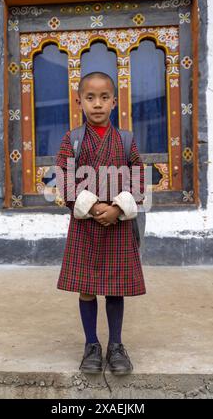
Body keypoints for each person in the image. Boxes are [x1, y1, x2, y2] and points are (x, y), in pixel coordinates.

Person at [55, 71, 146, 376]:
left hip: (118, 223)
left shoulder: (126, 139)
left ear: (114, 102)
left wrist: (119, 207)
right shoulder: (73, 139)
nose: (97, 104)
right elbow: (65, 179)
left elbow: (138, 178)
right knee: (86, 288)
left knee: (115, 288)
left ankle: (116, 345)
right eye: (90, 98)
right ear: (79, 101)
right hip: (86, 224)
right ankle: (91, 344)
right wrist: (92, 206)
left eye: (104, 97)